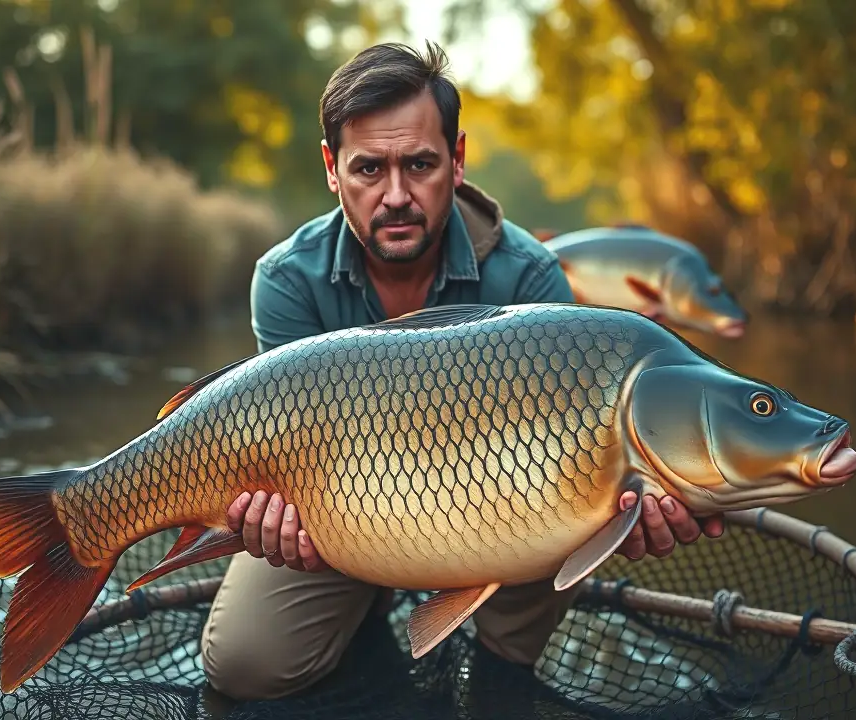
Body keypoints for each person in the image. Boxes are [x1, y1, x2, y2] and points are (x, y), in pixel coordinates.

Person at [199, 40, 726, 702]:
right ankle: (359, 620)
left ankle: (498, 668)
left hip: (499, 512)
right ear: (332, 169)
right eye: (369, 170)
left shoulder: (530, 277)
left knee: (581, 502)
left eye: (420, 164)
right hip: (338, 518)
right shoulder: (286, 280)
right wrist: (275, 525)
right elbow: (279, 462)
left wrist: (632, 504)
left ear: (457, 159)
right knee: (242, 663)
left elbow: (584, 459)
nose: (396, 195)